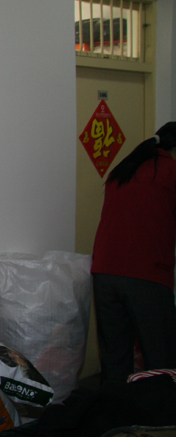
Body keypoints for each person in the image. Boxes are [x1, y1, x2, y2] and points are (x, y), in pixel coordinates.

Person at [91, 122, 176, 384]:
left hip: (105, 271)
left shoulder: (126, 167)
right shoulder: (169, 170)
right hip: (145, 272)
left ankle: (116, 406)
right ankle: (159, 408)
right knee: (161, 358)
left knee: (115, 355)